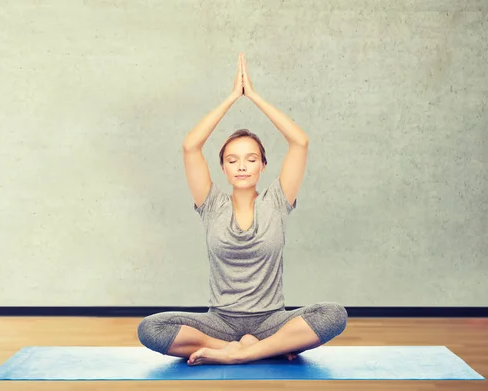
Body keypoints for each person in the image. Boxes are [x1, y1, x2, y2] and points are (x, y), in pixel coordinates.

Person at [137, 52, 347, 366]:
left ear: (263, 165)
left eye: (251, 159)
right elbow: (191, 146)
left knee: (334, 315)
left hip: (271, 321)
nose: (242, 166)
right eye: (232, 160)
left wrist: (256, 97)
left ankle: (242, 353)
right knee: (150, 328)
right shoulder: (211, 204)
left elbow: (299, 142)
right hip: (220, 323)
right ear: (222, 168)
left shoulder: (277, 201)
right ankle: (260, 349)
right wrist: (233, 97)